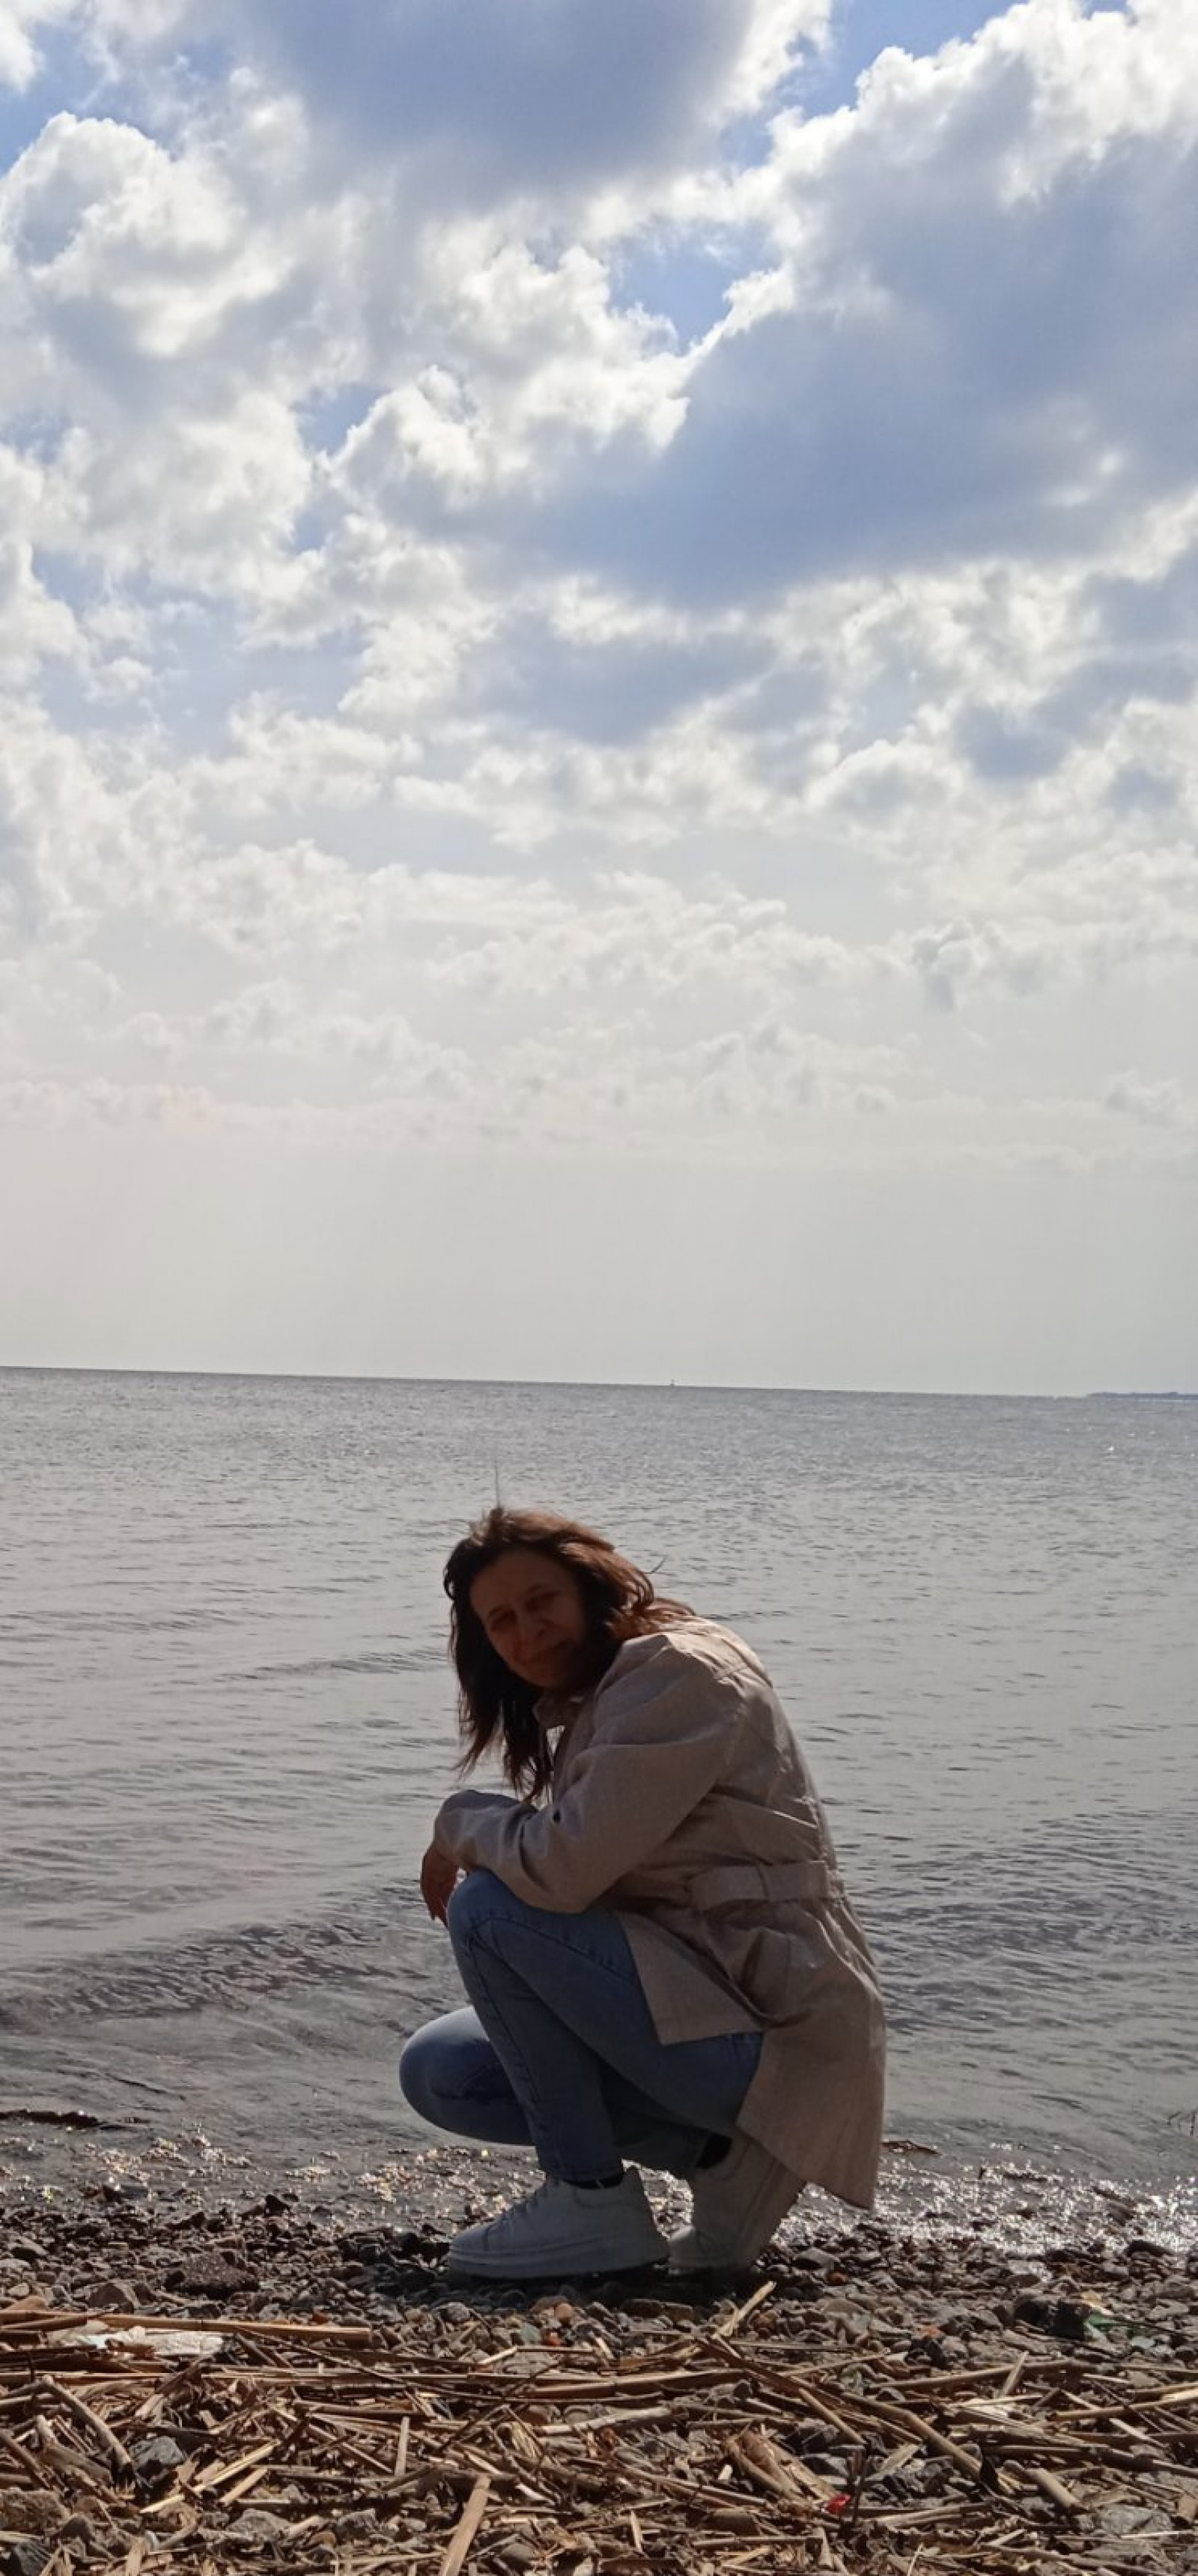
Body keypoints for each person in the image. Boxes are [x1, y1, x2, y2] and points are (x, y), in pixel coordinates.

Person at [400, 1507, 885, 2280]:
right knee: (445, 2069)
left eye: (541, 1601)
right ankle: (722, 2159)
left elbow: (561, 1869)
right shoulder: (611, 1693)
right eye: (502, 1621)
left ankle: (587, 2198)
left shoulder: (678, 1675)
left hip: (773, 2030)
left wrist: (459, 1820)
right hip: (709, 2005)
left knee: (489, 1912)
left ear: (593, 1587)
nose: (527, 1631)